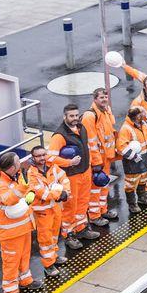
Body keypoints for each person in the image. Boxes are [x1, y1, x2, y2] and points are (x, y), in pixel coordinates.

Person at [0, 152, 40, 293]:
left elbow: (28, 189)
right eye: (18, 162)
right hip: (10, 232)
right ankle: (11, 291)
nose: (21, 163)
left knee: (25, 256)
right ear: (12, 167)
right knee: (11, 261)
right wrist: (23, 188)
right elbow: (10, 200)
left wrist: (29, 192)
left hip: (23, 227)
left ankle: (25, 280)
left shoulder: (16, 175)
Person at [48, 104, 98, 249]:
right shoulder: (59, 136)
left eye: (76, 115)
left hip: (84, 172)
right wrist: (69, 162)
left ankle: (81, 228)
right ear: (65, 117)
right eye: (71, 116)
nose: (75, 118)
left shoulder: (82, 128)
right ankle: (69, 234)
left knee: (83, 203)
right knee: (70, 206)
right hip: (71, 176)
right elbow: (50, 158)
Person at [25, 145, 70, 278]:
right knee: (45, 239)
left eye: (44, 154)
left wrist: (66, 191)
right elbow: (42, 193)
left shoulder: (52, 166)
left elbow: (64, 178)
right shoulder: (32, 173)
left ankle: (54, 257)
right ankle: (48, 265)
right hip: (42, 211)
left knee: (55, 234)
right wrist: (59, 194)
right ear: (33, 158)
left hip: (54, 207)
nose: (42, 158)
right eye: (38, 156)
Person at [81, 88, 117, 227]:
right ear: (95, 99)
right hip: (98, 160)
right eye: (101, 97)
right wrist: (96, 162)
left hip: (106, 157)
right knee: (95, 189)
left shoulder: (105, 111)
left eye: (105, 97)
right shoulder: (90, 116)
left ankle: (103, 210)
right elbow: (91, 142)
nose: (104, 99)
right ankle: (95, 216)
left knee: (104, 186)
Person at [116, 108, 147, 214]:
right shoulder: (126, 129)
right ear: (136, 116)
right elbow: (121, 147)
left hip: (144, 159)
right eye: (141, 114)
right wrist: (134, 157)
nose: (143, 115)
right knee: (131, 184)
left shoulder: (143, 125)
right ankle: (132, 204)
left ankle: (142, 197)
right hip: (132, 163)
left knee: (143, 179)